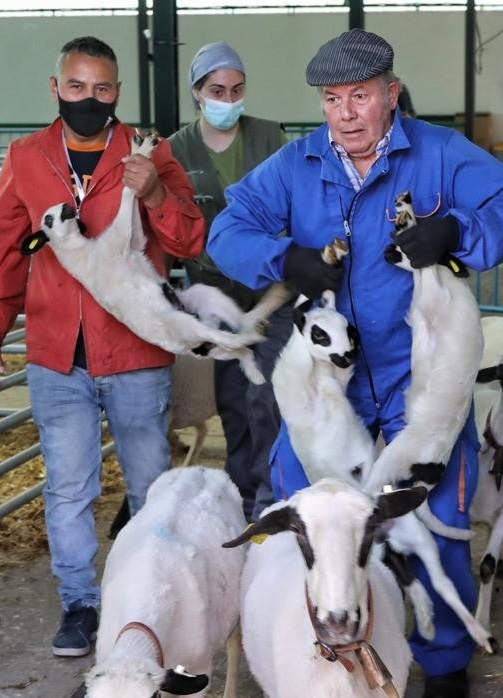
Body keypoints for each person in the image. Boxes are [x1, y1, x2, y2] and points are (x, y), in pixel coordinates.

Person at [207, 28, 503, 698]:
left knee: (440, 517)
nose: (348, 113)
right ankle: (306, 647)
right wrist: (284, 260)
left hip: (420, 379)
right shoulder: (298, 165)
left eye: (361, 96)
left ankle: (443, 667)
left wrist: (458, 235)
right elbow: (227, 229)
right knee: (304, 513)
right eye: (334, 99)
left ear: (390, 94)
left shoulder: (439, 154)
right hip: (331, 388)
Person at [0, 36, 203, 658]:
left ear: (116, 92)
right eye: (77, 87)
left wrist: (154, 193)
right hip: (55, 351)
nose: (88, 99)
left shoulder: (150, 152)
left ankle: (153, 596)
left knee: (149, 482)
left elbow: (187, 240)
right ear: (55, 88)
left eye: (101, 89)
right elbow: (3, 248)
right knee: (69, 486)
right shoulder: (26, 158)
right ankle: (81, 605)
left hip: (133, 350)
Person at [167, 42, 290, 522]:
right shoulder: (176, 150)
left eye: (237, 90)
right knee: (233, 399)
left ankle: (274, 495)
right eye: (217, 90)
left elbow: (288, 205)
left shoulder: (268, 137)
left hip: (267, 288)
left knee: (272, 394)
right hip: (213, 294)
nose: (228, 99)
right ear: (197, 93)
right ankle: (244, 501)